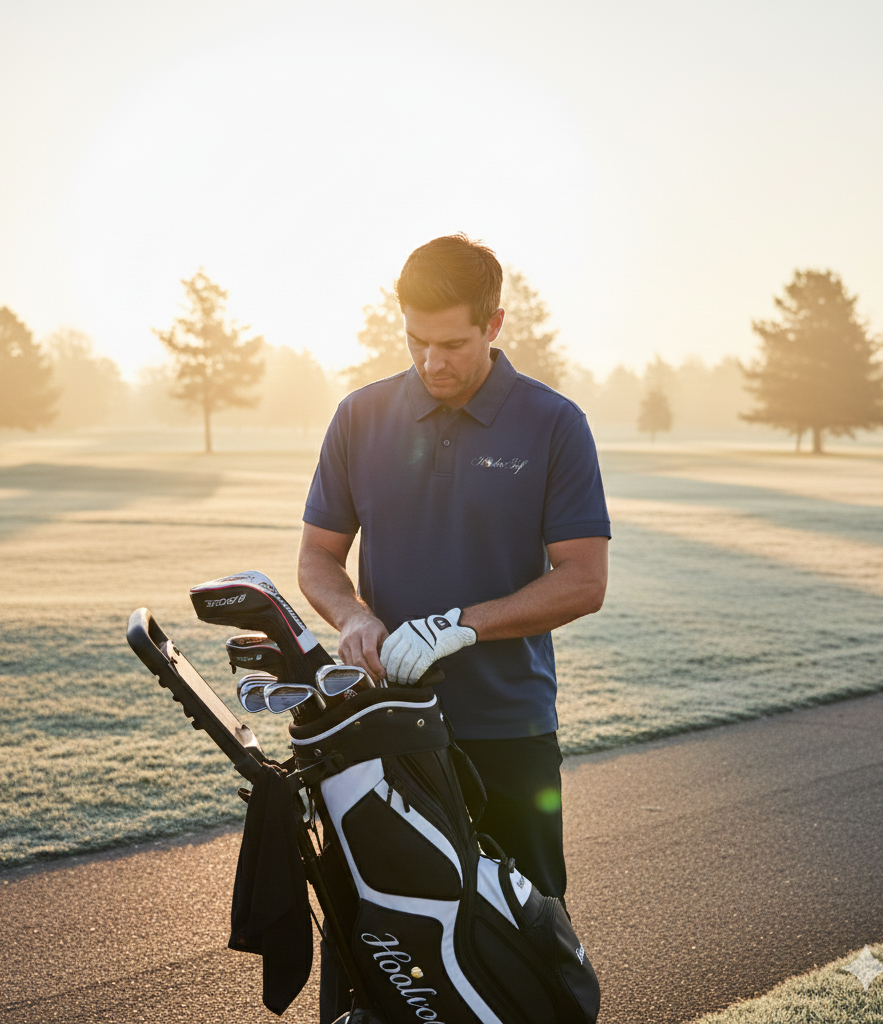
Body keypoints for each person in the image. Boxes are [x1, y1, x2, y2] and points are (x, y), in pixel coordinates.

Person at [298, 233, 610, 1022]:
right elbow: (318, 559)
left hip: (508, 732)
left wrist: (461, 626)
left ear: (495, 323)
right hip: (386, 734)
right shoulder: (359, 417)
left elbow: (584, 580)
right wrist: (354, 617)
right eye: (416, 341)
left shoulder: (554, 424)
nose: (431, 362)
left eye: (452, 344)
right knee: (381, 938)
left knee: (528, 938)